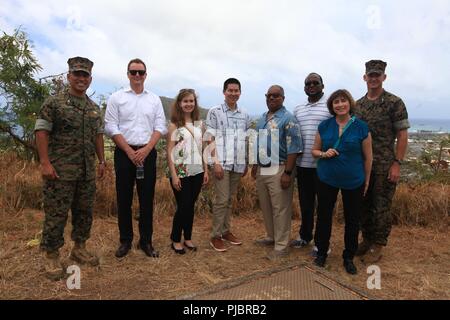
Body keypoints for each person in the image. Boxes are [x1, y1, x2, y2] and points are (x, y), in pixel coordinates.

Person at [35, 57, 105, 280]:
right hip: (60, 172)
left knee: (84, 213)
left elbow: (98, 136)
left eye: (85, 75)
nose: (81, 78)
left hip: (86, 172)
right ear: (69, 76)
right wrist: (45, 162)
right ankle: (51, 254)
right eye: (77, 74)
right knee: (56, 214)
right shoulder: (54, 103)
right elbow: (42, 132)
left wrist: (102, 161)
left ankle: (79, 248)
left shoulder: (93, 109)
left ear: (90, 79)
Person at [105, 58, 167, 258]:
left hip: (147, 154)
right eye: (133, 72)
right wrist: (130, 152)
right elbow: (110, 127)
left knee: (147, 199)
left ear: (146, 75)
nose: (137, 76)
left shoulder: (154, 99)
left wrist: (146, 149)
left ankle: (146, 242)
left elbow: (160, 127)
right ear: (128, 74)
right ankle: (125, 241)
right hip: (124, 154)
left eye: (141, 72)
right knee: (123, 199)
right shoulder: (117, 98)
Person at [311, 89, 372, 274]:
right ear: (332, 106)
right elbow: (315, 150)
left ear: (349, 103)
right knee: (323, 216)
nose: (340, 104)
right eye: (336, 102)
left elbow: (368, 158)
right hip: (327, 178)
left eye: (343, 101)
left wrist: (367, 180)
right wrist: (323, 153)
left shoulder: (361, 127)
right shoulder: (324, 125)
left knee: (352, 220)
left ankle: (348, 257)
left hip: (354, 180)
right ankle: (321, 253)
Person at [354, 60, 409, 264]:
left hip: (384, 164)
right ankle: (366, 239)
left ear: (384, 77)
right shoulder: (358, 105)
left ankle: (378, 244)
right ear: (365, 77)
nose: (374, 78)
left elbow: (402, 135)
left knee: (381, 206)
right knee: (363, 204)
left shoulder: (394, 102)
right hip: (361, 165)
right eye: (371, 75)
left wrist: (397, 163)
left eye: (378, 75)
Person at [252, 85, 303, 261]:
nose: (272, 98)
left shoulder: (288, 119)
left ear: (283, 98)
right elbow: (258, 142)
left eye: (276, 96)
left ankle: (281, 245)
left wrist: (288, 173)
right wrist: (254, 165)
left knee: (280, 208)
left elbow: (294, 148)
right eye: (269, 96)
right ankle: (271, 236)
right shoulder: (262, 118)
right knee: (266, 205)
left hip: (280, 167)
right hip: (263, 167)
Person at [205, 78, 251, 252]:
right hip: (221, 163)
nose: (233, 93)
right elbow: (209, 138)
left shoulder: (244, 114)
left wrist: (245, 161)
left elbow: (244, 139)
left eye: (236, 90)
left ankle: (225, 231)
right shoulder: (215, 112)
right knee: (222, 200)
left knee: (229, 200)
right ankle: (215, 236)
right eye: (230, 90)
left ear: (240, 92)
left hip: (238, 164)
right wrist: (215, 162)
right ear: (224, 92)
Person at [291, 73, 332, 254]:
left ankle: (322, 243)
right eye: (308, 83)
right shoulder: (299, 109)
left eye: (316, 83)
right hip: (303, 165)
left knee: (324, 207)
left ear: (323, 85)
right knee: (306, 204)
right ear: (304, 87)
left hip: (324, 165)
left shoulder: (330, 107)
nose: (312, 85)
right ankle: (305, 236)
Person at [167, 89, 209, 254]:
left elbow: (203, 148)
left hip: (198, 171)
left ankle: (188, 238)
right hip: (181, 173)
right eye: (185, 101)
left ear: (195, 103)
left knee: (190, 206)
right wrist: (174, 175)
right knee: (183, 206)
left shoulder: (199, 124)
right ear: (179, 103)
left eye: (191, 101)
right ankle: (175, 239)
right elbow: (169, 152)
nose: (189, 104)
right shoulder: (174, 125)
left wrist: (206, 171)